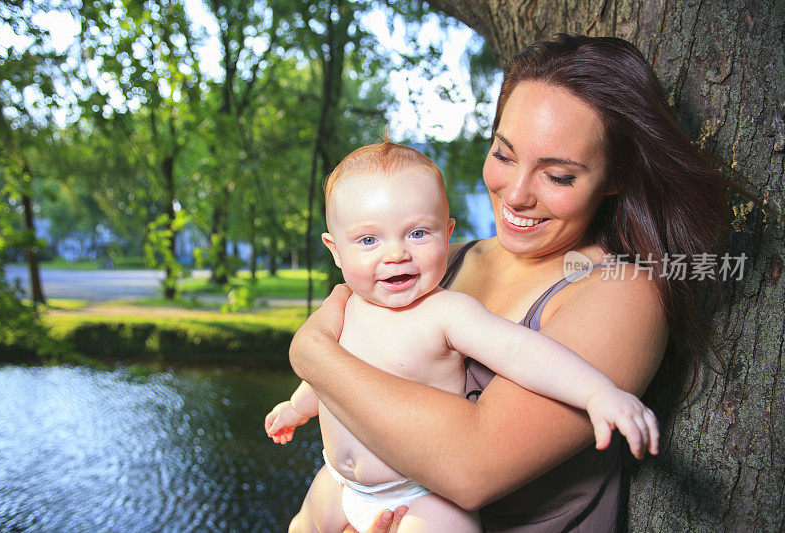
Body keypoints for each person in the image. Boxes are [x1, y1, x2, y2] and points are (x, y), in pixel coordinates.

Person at [288, 34, 729, 532]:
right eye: (503, 154)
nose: (515, 194)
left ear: (615, 176)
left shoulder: (623, 293)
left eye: (558, 175)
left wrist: (311, 352)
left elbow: (468, 468)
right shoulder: (434, 260)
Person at [265, 142, 659, 533]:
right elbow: (332, 376)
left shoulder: (446, 312)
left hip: (421, 494)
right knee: (303, 525)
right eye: (369, 240)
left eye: (418, 233)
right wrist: (297, 408)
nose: (396, 254)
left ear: (446, 232)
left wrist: (595, 393)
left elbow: (522, 352)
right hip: (341, 481)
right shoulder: (346, 304)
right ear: (336, 251)